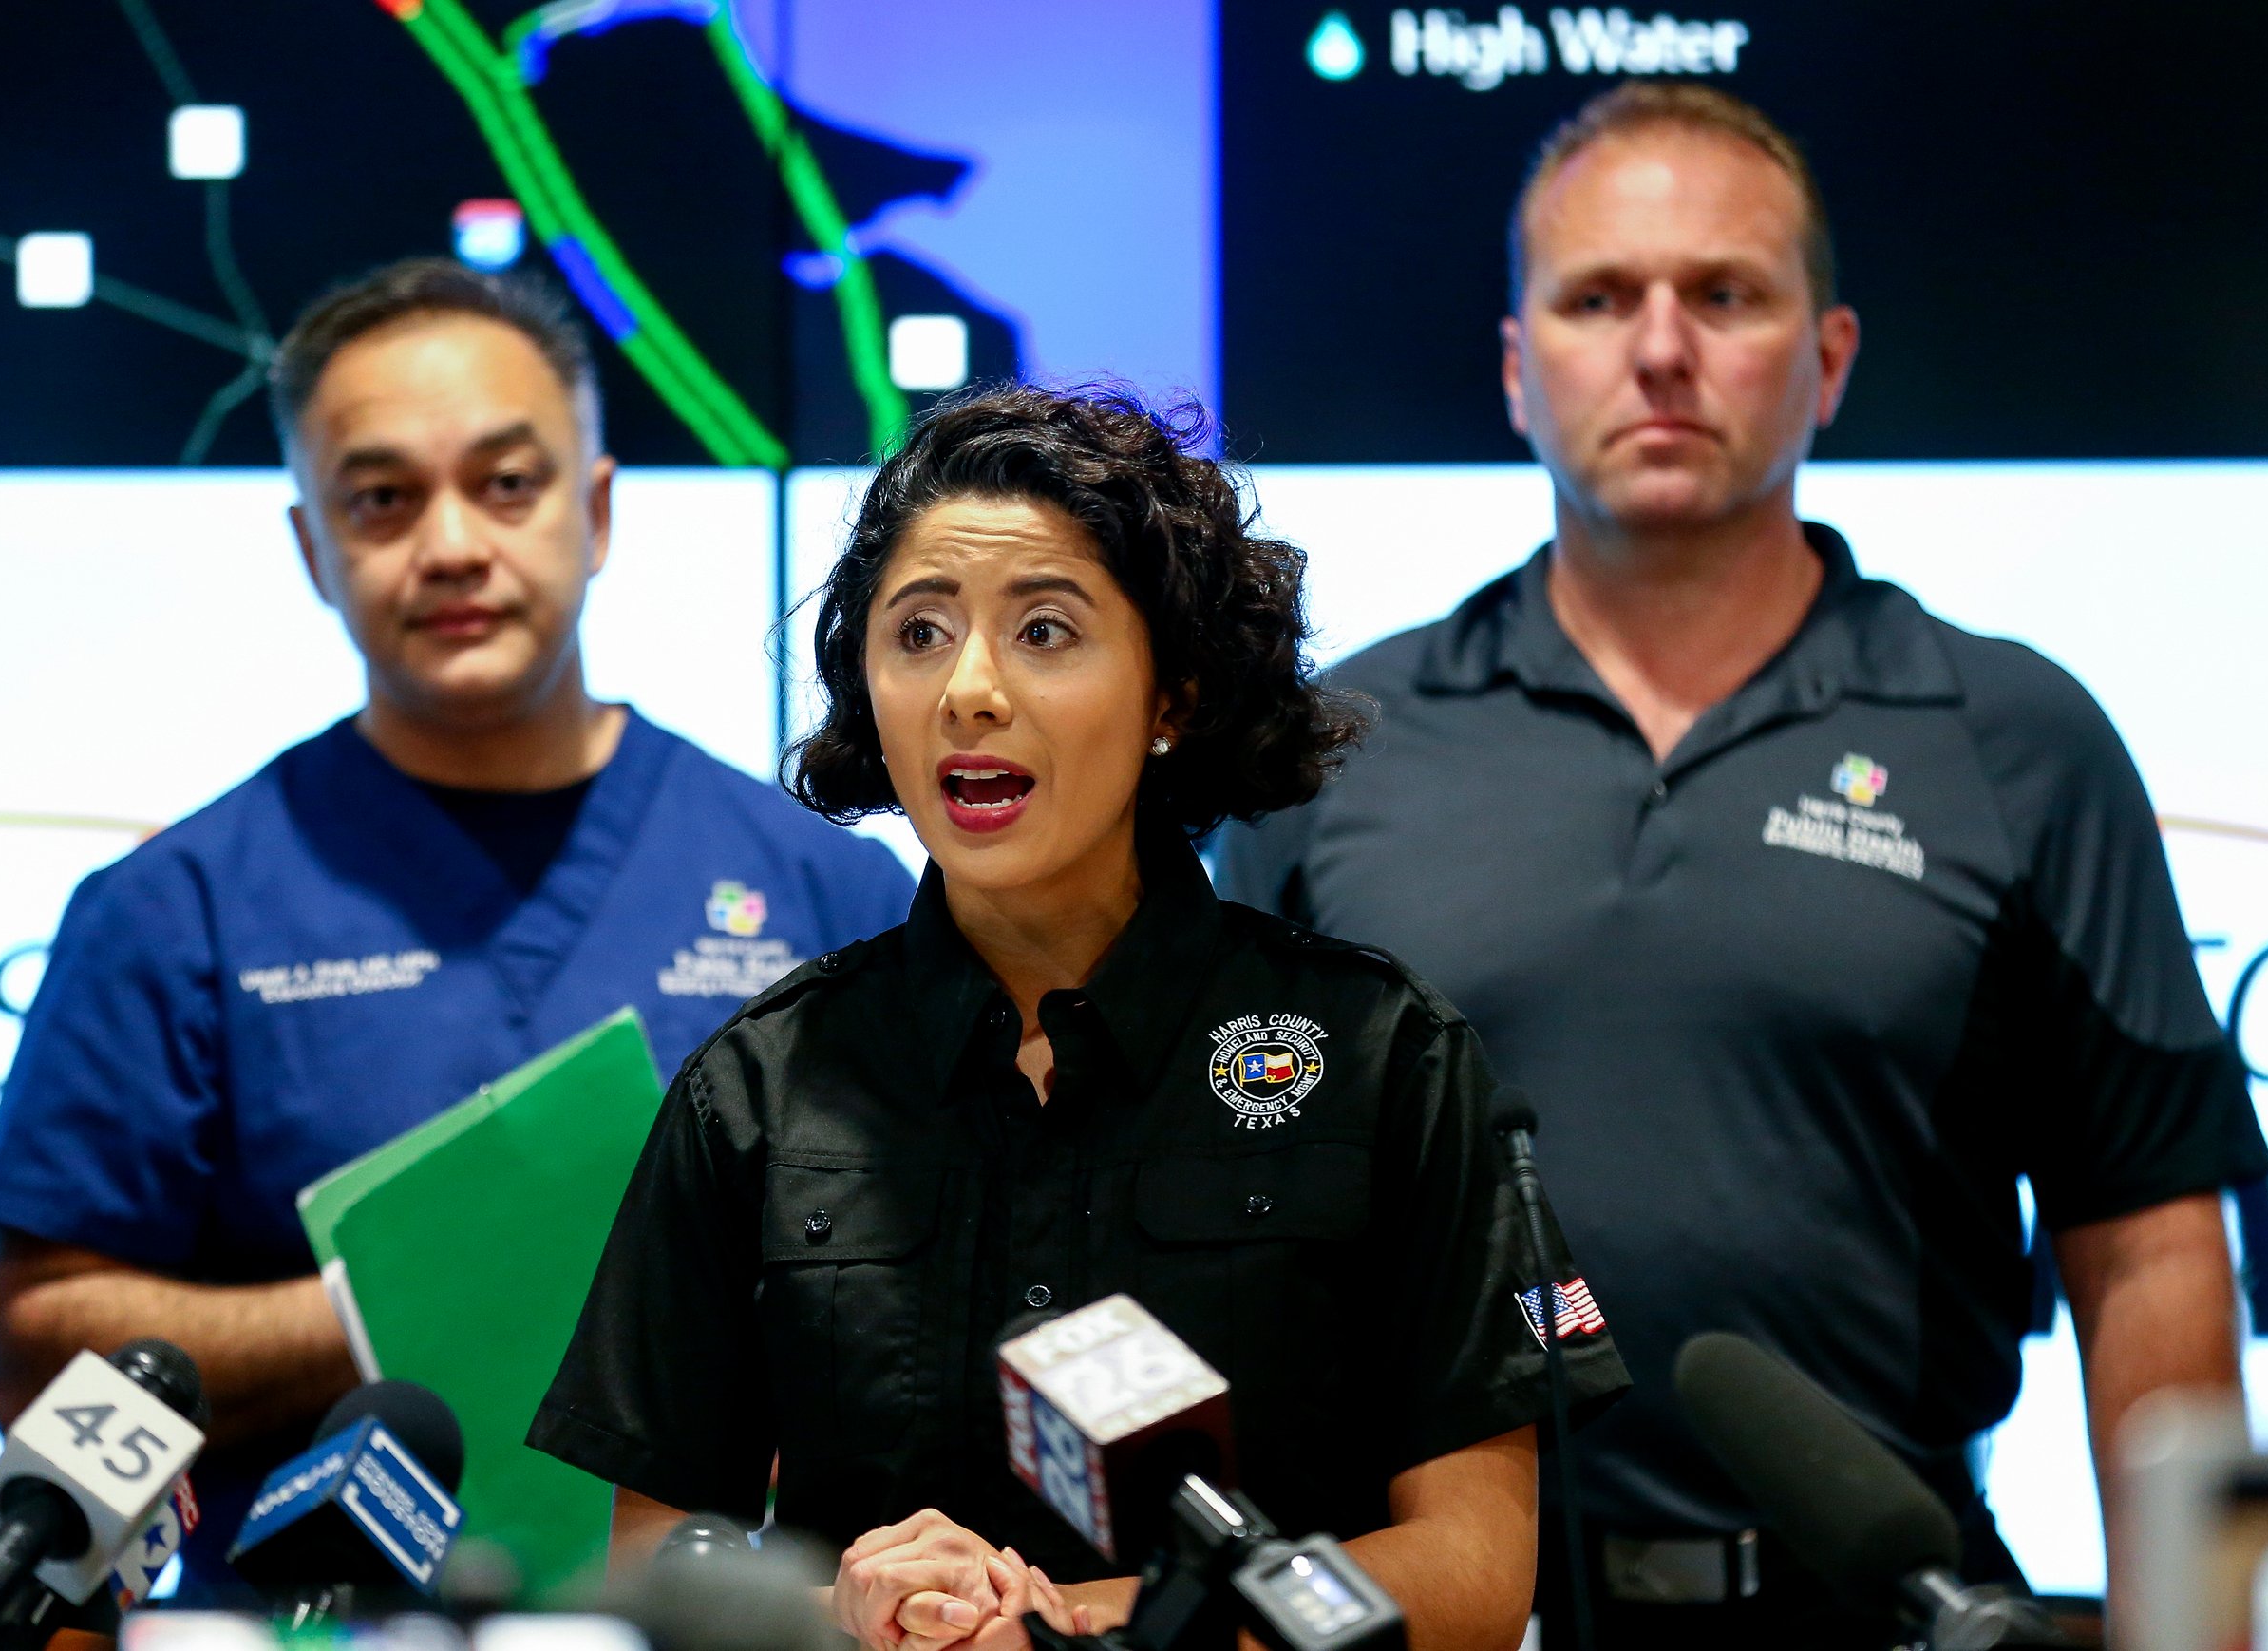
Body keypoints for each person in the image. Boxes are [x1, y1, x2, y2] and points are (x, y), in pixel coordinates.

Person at [1216, 82, 2268, 1648]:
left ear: (1828, 359)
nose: (1661, 347)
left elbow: (2151, 1249)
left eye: (1725, 294)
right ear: (1518, 371)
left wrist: (2189, 1637)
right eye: (1598, 298)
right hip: (1445, 1617)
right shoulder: (1336, 749)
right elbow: (1220, 1225)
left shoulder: (2016, 735)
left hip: (1891, 1609)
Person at [529, 383, 1629, 1651]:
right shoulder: (758, 1090)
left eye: (1045, 630)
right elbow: (663, 1556)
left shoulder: (1387, 1058)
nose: (970, 690)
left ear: (1176, 693)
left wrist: (1081, 1622)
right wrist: (849, 1610)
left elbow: (1478, 1570)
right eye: (920, 632)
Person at [0, 258, 916, 1599]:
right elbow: (38, 1362)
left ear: (595, 511)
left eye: (508, 482)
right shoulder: (175, 909)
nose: (454, 541)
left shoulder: (833, 893)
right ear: (314, 547)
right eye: (383, 498)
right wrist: (414, 1300)